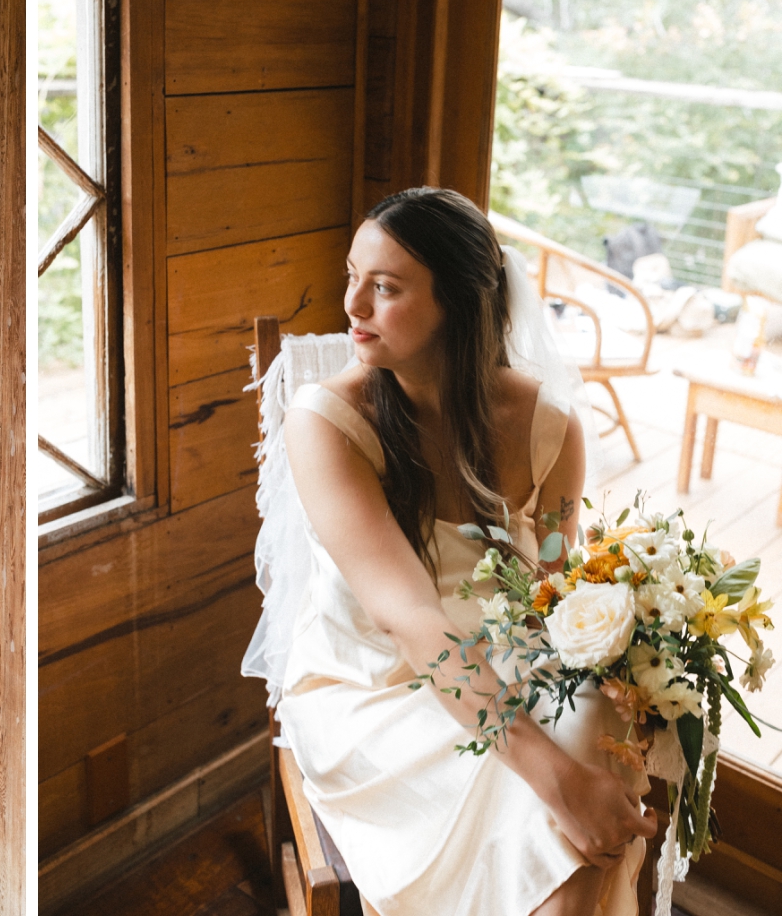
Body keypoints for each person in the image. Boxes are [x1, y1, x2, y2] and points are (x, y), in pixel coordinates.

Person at [259, 188, 657, 915]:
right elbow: (415, 620)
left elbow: (557, 599)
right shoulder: (326, 426)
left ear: (460, 304)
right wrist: (562, 782)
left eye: (384, 287)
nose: (351, 305)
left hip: (504, 669)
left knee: (601, 732)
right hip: (375, 695)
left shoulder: (548, 427)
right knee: (569, 811)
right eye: (352, 276)